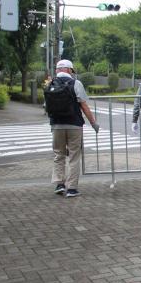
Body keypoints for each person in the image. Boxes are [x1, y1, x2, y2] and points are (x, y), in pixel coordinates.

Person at [46, 59, 99, 198]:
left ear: (57, 70)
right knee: (74, 156)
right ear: (69, 70)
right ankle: (72, 189)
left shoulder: (50, 84)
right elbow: (84, 105)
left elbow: (47, 106)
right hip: (74, 124)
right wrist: (93, 123)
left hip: (57, 125)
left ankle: (59, 184)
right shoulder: (76, 83)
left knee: (59, 155)